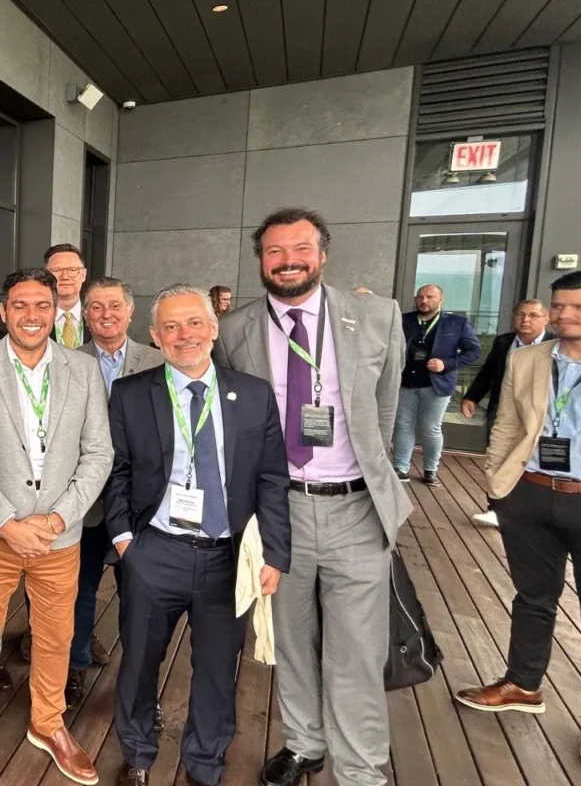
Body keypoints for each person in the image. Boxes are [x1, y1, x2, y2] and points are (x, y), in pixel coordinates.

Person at [215, 208, 406, 786]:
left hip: (356, 509)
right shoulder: (235, 330)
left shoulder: (377, 316)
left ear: (322, 254)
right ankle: (303, 743)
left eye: (300, 248)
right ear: (260, 261)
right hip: (281, 509)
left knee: (358, 650)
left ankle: (361, 771)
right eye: (274, 251)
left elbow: (386, 410)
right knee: (292, 639)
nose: (288, 260)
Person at [454, 268, 581, 775]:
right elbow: (507, 424)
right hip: (529, 496)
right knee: (532, 598)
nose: (565, 314)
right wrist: (499, 485)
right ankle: (522, 684)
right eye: (559, 305)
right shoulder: (527, 359)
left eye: (580, 307)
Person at [105, 285, 291, 786]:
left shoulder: (253, 394)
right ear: (155, 335)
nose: (183, 334)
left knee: (217, 669)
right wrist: (124, 541)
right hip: (154, 551)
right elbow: (117, 471)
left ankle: (204, 763)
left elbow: (272, 478)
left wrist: (274, 553)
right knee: (139, 662)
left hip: (228, 558)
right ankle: (138, 753)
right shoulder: (130, 393)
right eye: (170, 326)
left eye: (193, 323)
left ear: (212, 329)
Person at [0, 268, 112, 786]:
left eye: (42, 305)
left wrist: (59, 517)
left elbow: (98, 453)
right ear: (3, 312)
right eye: (19, 305)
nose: (31, 315)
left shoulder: (83, 369)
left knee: (56, 635)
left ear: (55, 310)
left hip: (59, 536)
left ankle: (48, 722)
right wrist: (5, 520)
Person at [67, 278, 162, 698]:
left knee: (140, 598)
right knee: (78, 592)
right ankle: (74, 666)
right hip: (85, 502)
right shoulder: (68, 362)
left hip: (141, 505)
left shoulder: (159, 360)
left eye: (114, 306)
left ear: (130, 311)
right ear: (85, 315)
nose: (106, 315)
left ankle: (139, 686)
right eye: (96, 307)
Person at [461, 299, 553, 528]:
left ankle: (529, 511)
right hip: (502, 408)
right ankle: (496, 508)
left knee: (531, 461)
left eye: (533, 315)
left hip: (538, 414)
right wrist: (472, 396)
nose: (526, 320)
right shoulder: (504, 342)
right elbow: (488, 372)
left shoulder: (555, 345)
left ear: (546, 319)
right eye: (521, 314)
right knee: (497, 456)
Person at [390, 284, 481, 486]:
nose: (424, 301)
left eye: (430, 297)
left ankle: (430, 469)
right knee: (403, 425)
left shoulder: (457, 323)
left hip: (437, 385)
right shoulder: (403, 320)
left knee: (430, 427)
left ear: (441, 299)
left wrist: (446, 364)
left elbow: (474, 351)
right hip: (406, 381)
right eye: (420, 297)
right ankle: (401, 467)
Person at [44, 244, 89, 349]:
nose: (64, 276)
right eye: (56, 270)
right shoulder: (35, 317)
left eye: (72, 270)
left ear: (83, 275)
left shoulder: (97, 315)